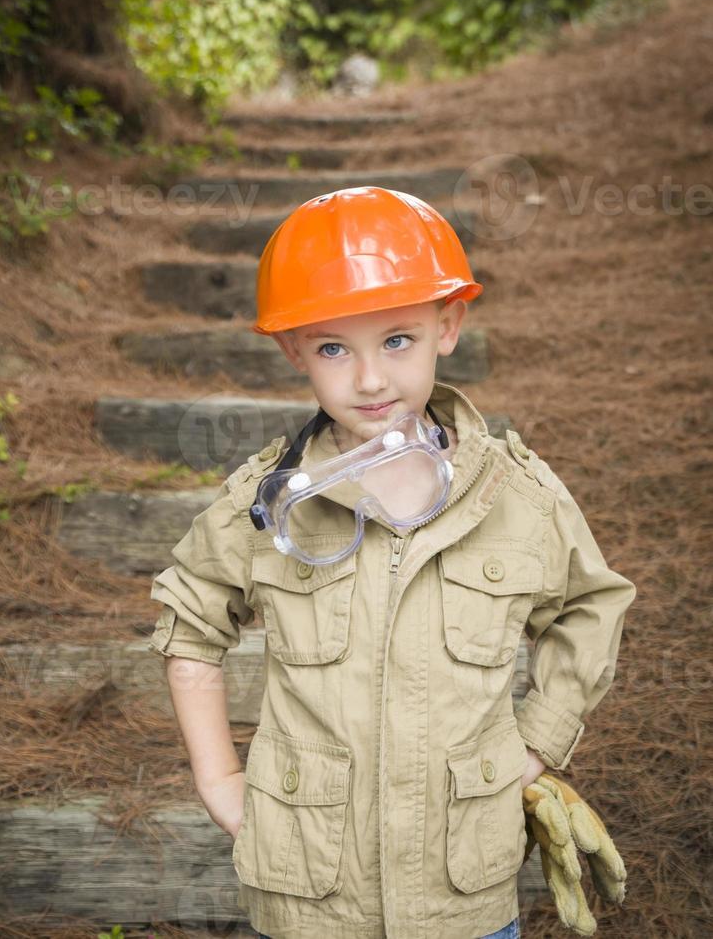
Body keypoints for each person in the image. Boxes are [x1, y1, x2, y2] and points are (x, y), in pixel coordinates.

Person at [146, 186, 637, 938]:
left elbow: (589, 605)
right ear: (293, 348)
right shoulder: (266, 501)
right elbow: (190, 621)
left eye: (397, 340)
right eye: (334, 348)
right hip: (310, 895)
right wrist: (218, 778)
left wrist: (536, 741)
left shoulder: (515, 494)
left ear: (449, 324)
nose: (370, 379)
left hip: (461, 892)